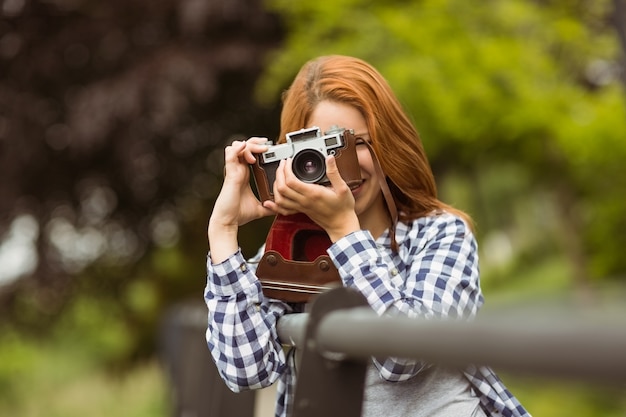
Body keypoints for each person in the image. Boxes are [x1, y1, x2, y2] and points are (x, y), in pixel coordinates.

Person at [205, 55, 530, 417]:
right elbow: (247, 369)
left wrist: (344, 231)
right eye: (317, 151)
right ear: (289, 160)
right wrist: (223, 233)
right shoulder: (291, 249)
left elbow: (404, 357)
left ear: (388, 143)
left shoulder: (439, 234)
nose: (337, 169)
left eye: (352, 143)